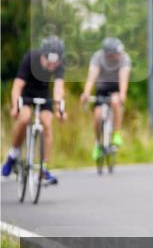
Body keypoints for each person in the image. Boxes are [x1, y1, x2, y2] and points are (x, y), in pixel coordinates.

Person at [1, 37, 68, 185]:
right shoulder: (30, 58)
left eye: (56, 60)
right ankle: (13, 154)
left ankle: (44, 168)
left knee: (47, 123)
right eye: (50, 59)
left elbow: (58, 87)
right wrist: (15, 106)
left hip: (43, 94)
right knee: (24, 117)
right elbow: (17, 85)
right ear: (43, 54)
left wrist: (59, 109)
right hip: (26, 93)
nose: (53, 64)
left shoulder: (59, 63)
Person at [79, 37, 131, 158]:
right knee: (97, 116)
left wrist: (122, 94)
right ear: (109, 54)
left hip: (116, 87)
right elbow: (92, 76)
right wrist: (86, 92)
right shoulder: (98, 57)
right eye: (117, 53)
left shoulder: (125, 58)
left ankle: (116, 134)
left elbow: (124, 78)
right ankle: (97, 144)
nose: (120, 55)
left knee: (115, 101)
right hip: (102, 88)